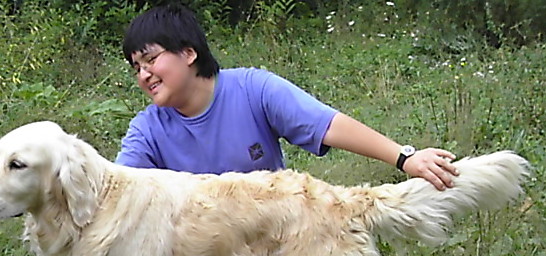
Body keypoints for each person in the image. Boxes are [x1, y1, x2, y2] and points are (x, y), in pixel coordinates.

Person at [116, 3, 459, 190]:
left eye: (151, 59)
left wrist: (405, 158)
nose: (144, 75)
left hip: (275, 240)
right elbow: (114, 188)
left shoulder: (253, 89)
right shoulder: (147, 129)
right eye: (136, 68)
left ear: (189, 53)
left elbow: (327, 125)